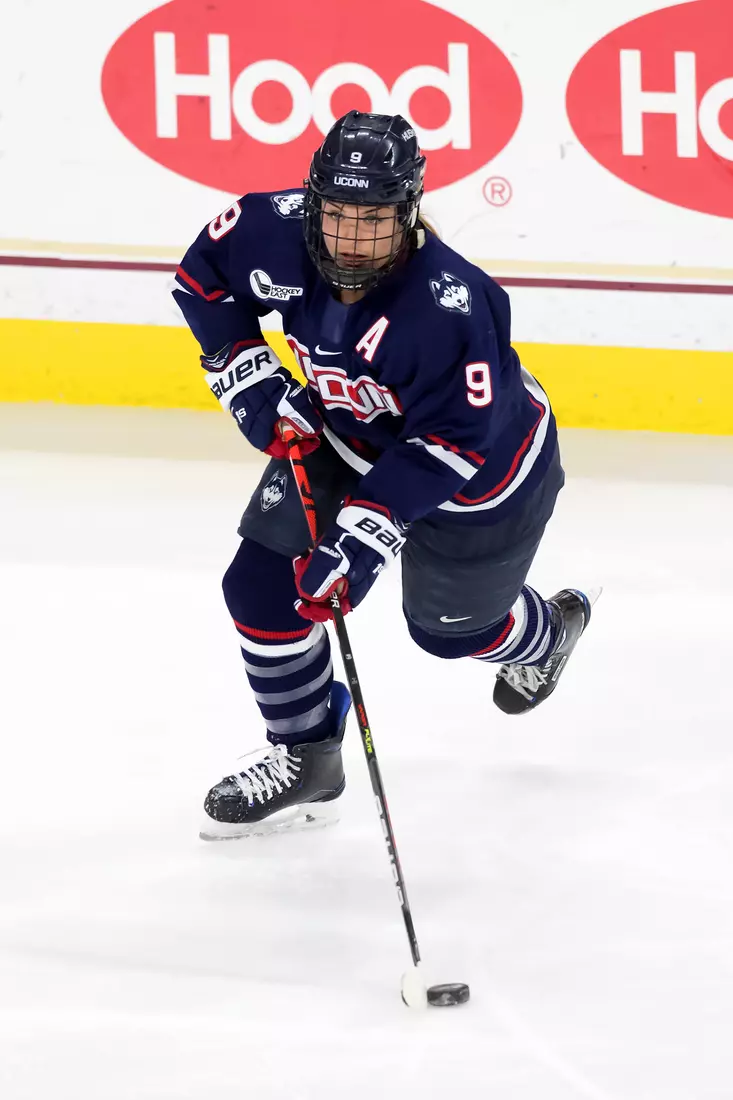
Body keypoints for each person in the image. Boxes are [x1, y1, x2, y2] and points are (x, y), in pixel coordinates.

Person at [173, 110, 594, 840]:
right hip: (343, 434)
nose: (351, 238)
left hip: (481, 480)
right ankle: (306, 756)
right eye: (335, 214)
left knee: (449, 634)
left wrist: (363, 535)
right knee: (260, 587)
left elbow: (452, 442)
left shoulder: (452, 306)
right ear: (311, 201)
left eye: (374, 220)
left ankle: (545, 634)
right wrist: (245, 374)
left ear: (409, 214)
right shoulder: (269, 228)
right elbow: (199, 280)